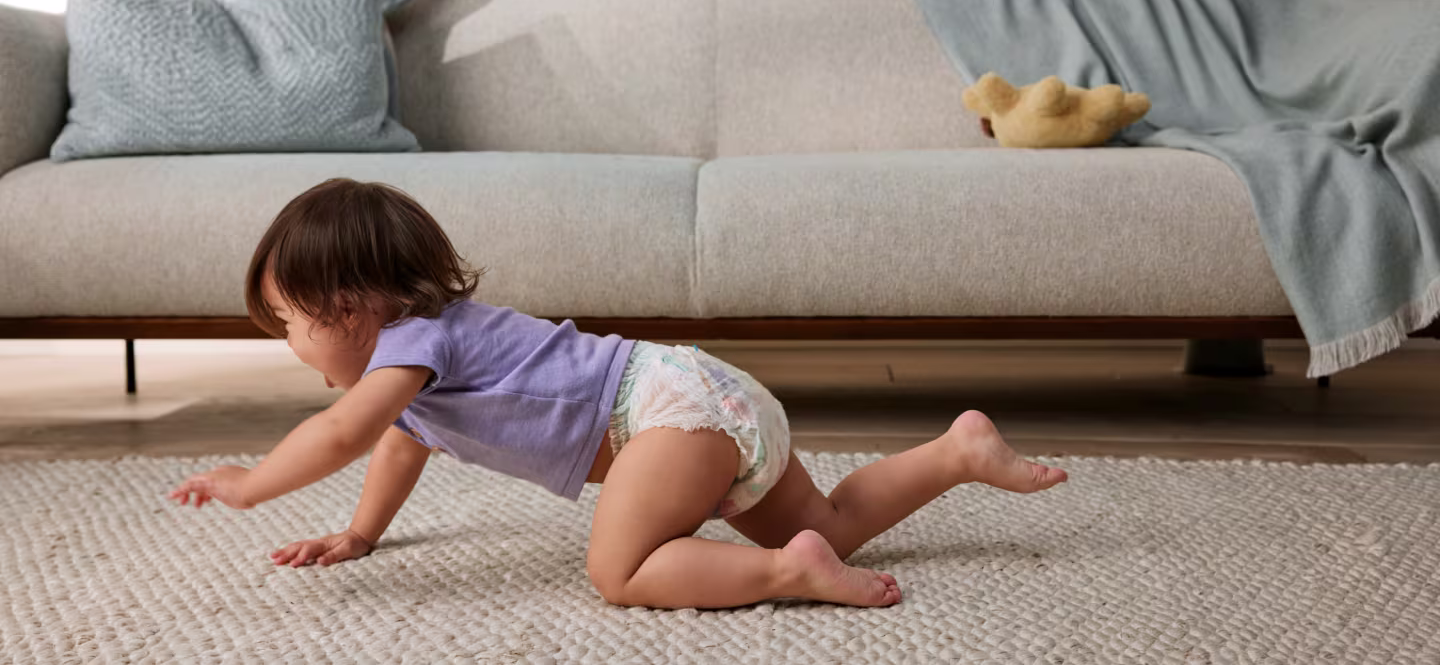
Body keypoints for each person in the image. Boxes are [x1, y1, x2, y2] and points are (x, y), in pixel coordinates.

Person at [169, 178, 1069, 610]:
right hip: (703, 391)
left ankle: (783, 574)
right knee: (829, 518)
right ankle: (957, 453)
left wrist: (251, 482)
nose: (287, 341)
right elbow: (401, 440)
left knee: (620, 572)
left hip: (662, 414)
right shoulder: (415, 371)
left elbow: (338, 435)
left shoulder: (413, 345)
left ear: (348, 308)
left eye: (287, 320)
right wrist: (363, 533)